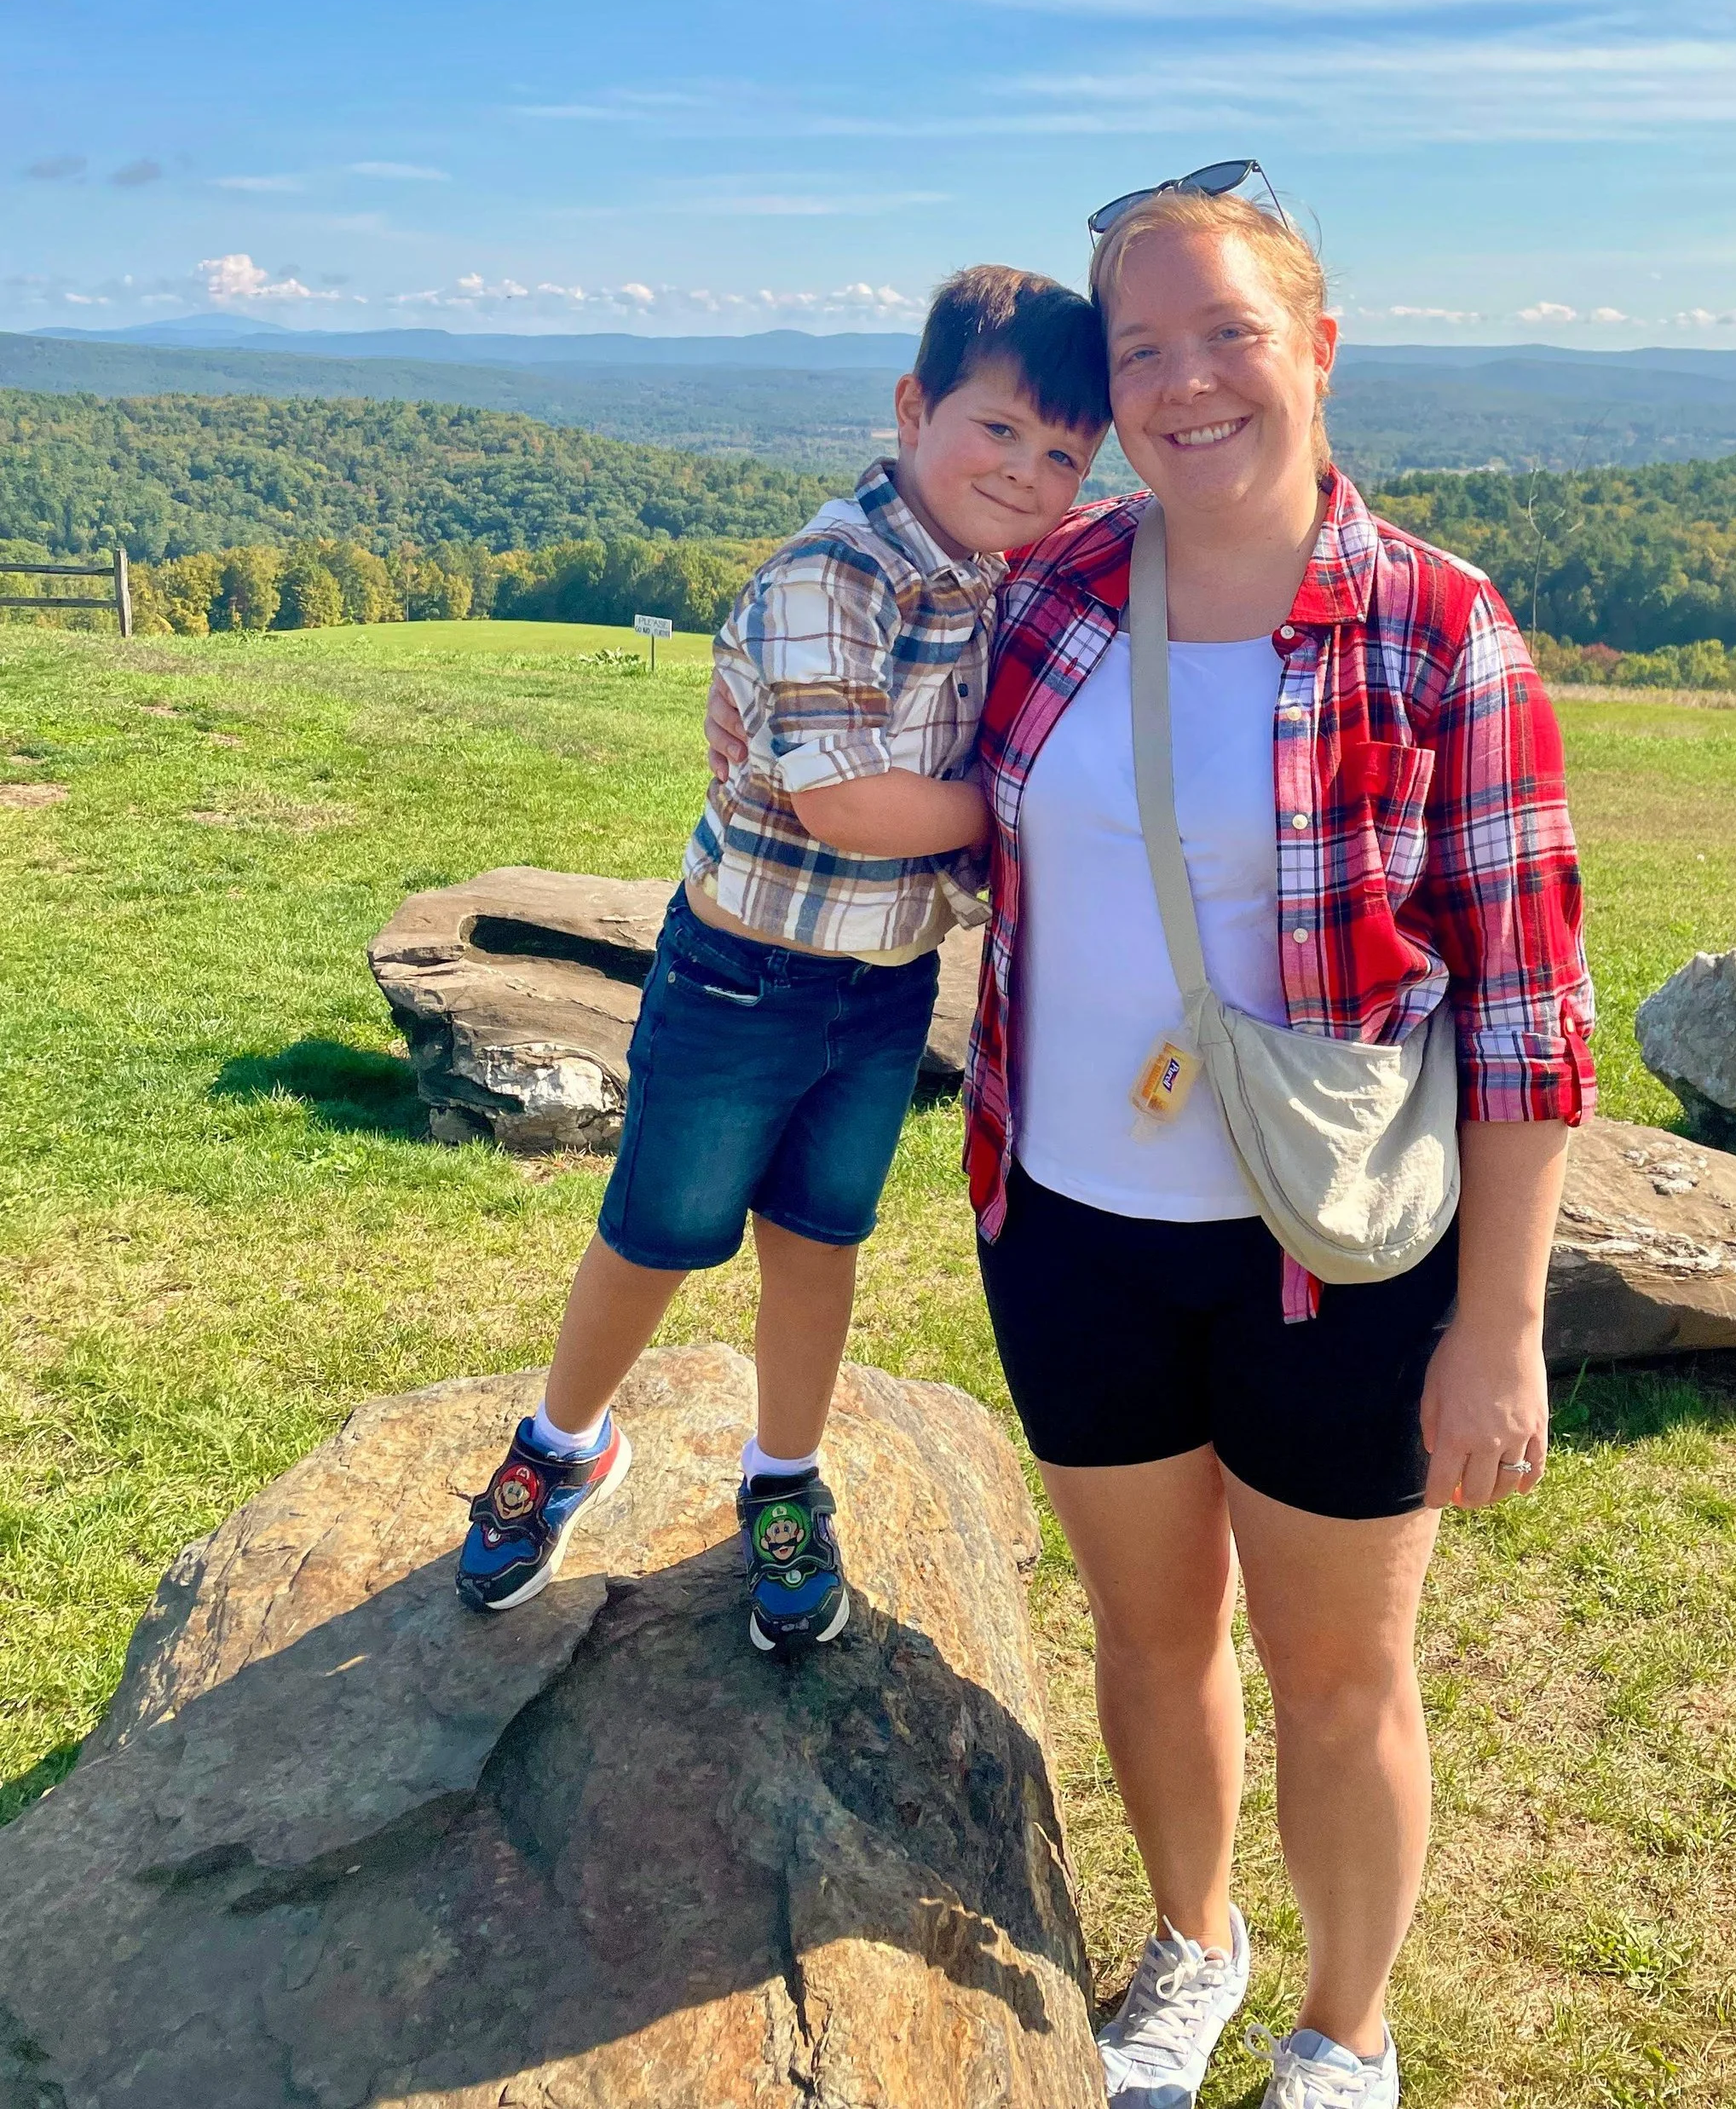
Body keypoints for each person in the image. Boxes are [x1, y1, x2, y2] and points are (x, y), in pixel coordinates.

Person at [963, 174, 1594, 2107]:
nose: (1179, 381)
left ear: (1316, 347)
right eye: (1135, 346)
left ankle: (1345, 2029)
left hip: (1335, 1252)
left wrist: (1498, 1324)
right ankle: (1193, 1941)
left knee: (1335, 1676)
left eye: (1224, 331)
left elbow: (1526, 1005)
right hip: (1064, 1222)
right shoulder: (1052, 588)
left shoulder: (1436, 630)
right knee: (1149, 1641)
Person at [456, 264, 1110, 1651]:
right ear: (914, 405)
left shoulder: (996, 563)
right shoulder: (840, 570)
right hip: (738, 985)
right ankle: (564, 1440)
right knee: (657, 1232)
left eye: (1063, 453)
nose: (1028, 472)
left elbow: (1153, 533)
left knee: (822, 1241)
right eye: (998, 429)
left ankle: (782, 1477)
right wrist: (1021, 809)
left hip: (879, 994)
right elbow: (848, 804)